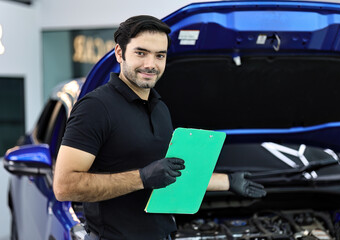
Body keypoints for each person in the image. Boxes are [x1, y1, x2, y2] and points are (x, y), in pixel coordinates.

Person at [53, 15, 266, 240]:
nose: (150, 64)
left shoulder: (159, 107)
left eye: (159, 55)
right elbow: (64, 186)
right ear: (119, 53)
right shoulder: (96, 107)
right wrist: (142, 178)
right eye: (141, 53)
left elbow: (168, 174)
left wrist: (229, 181)